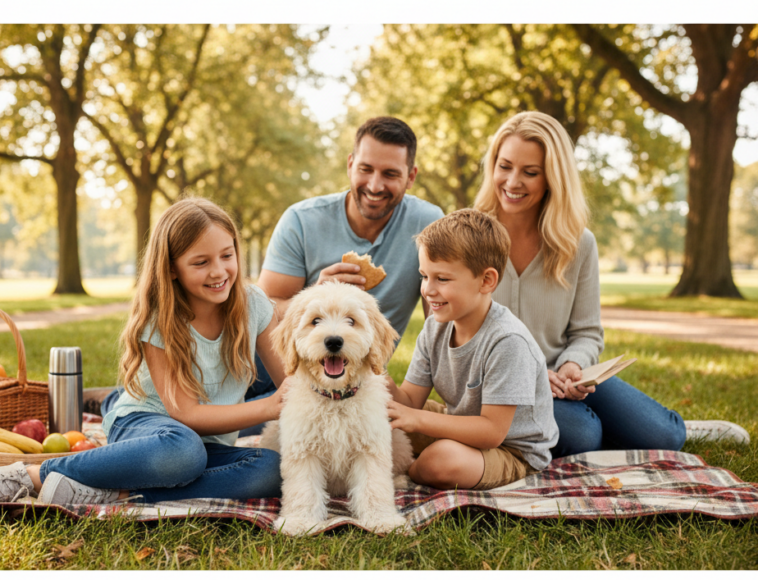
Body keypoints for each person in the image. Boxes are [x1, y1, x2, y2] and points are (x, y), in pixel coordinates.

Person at [0, 198, 290, 510]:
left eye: (227, 256)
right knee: (183, 450)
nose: (219, 272)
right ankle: (31, 475)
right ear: (172, 268)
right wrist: (266, 406)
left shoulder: (253, 305)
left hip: (205, 447)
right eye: (201, 262)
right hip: (149, 429)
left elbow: (290, 381)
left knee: (269, 468)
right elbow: (185, 413)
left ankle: (113, 492)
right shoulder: (161, 318)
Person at [473, 111, 750, 456]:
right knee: (583, 436)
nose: (512, 182)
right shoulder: (468, 238)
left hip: (567, 377)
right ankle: (611, 436)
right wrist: (533, 374)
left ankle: (670, 427)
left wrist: (572, 366)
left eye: (530, 172)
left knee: (665, 438)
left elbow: (587, 332)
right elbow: (455, 334)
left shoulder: (578, 243)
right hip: (503, 385)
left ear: (553, 179)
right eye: (505, 166)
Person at [238, 116, 444, 433]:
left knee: (260, 425)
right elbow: (262, 310)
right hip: (278, 357)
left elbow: (441, 325)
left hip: (352, 369)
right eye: (365, 169)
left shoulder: (429, 224)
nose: (375, 186)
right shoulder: (301, 220)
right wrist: (314, 293)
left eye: (390, 174)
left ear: (411, 176)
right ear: (350, 165)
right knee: (210, 401)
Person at [387, 210, 559, 490]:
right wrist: (375, 374)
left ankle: (405, 473)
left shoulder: (508, 341)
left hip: (510, 450)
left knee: (440, 462)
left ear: (486, 281)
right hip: (461, 423)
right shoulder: (435, 328)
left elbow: (491, 432)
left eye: (442, 279)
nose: (428, 290)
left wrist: (417, 420)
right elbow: (408, 403)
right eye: (424, 276)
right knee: (382, 414)